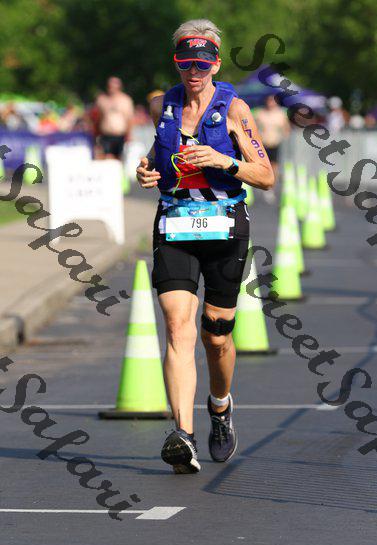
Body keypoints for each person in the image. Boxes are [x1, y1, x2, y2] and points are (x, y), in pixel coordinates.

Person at [136, 19, 274, 474]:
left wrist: (223, 160)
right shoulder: (161, 105)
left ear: (215, 63)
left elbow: (266, 176)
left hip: (224, 227)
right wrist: (146, 170)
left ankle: (219, 405)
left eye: (201, 63)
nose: (193, 71)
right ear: (176, 62)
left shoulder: (235, 110)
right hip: (175, 223)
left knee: (216, 336)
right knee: (178, 327)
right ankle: (183, 434)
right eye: (185, 62)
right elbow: (157, 154)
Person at [254, 95, 290, 188]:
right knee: (264, 163)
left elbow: (286, 128)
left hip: (276, 142)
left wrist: (285, 136)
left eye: (272, 101)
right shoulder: (261, 113)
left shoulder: (280, 114)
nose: (270, 103)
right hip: (263, 142)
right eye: (269, 101)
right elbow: (254, 127)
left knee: (274, 163)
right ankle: (264, 180)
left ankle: (273, 181)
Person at [95, 76, 135, 159]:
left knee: (120, 159)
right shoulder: (102, 99)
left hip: (121, 136)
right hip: (105, 136)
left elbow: (130, 119)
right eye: (110, 86)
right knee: (106, 159)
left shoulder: (126, 100)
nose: (112, 88)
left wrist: (128, 135)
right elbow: (97, 118)